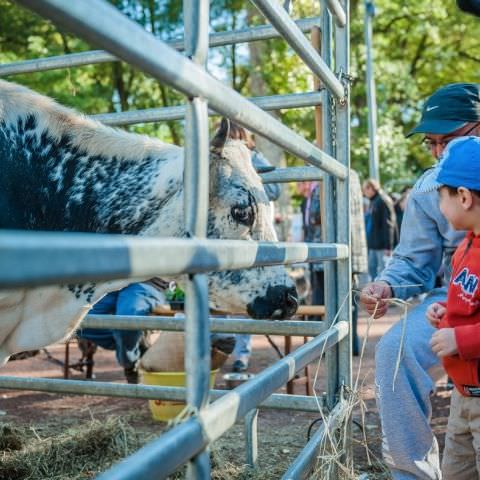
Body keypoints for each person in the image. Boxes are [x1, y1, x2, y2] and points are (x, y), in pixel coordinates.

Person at [360, 83, 480, 479]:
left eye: (447, 140)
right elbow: (414, 258)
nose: (437, 152)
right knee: (394, 351)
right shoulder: (432, 187)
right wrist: (388, 285)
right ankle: (410, 473)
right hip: (455, 295)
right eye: (431, 142)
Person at [425, 137, 480, 480]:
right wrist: (445, 309)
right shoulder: (465, 246)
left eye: (440, 198)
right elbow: (468, 298)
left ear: (463, 196)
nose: (440, 208)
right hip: (462, 395)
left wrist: (462, 339)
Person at [212, 119, 281, 373]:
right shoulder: (218, 156)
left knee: (246, 294)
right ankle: (222, 346)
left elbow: (274, 189)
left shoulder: (254, 157)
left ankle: (241, 354)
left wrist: (248, 171)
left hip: (252, 234)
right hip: (227, 235)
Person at [78, 280, 166, 383]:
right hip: (112, 282)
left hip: (144, 282)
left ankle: (131, 364)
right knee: (75, 321)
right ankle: (136, 342)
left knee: (125, 324)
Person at [362, 178, 397, 281]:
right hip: (373, 244)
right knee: (372, 270)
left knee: (383, 273)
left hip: (382, 246)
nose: (364, 193)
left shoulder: (382, 200)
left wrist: (388, 246)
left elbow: (389, 224)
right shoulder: (374, 201)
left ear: (372, 188)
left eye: (365, 189)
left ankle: (383, 296)